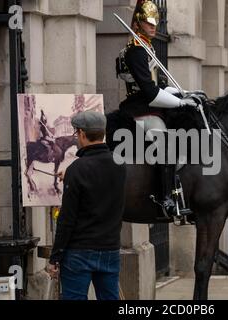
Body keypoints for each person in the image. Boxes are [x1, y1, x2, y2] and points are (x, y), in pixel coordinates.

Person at [116, 0, 201, 217]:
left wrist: (185, 94)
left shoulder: (147, 47)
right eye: (149, 23)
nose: (154, 27)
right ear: (138, 22)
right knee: (167, 145)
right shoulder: (135, 51)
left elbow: (160, 86)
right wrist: (181, 102)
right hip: (140, 108)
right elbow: (150, 93)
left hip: (152, 105)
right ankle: (166, 199)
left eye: (156, 23)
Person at [47, 111, 126, 300]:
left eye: (76, 134)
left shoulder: (77, 169)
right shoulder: (120, 164)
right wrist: (72, 177)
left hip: (79, 252)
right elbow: (100, 184)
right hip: (110, 249)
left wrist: (55, 257)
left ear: (82, 134)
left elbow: (67, 218)